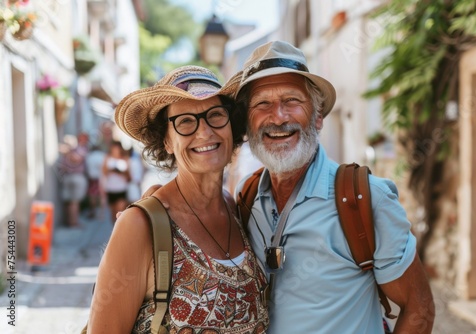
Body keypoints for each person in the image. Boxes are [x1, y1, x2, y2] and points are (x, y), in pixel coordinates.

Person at [230, 41, 435, 333]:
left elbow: (420, 308)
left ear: (318, 116)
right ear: (248, 123)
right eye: (262, 103)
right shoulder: (247, 197)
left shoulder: (365, 199)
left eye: (292, 100)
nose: (278, 116)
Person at [87, 66, 269, 333]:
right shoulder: (139, 226)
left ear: (232, 126)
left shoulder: (237, 208)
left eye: (216, 115)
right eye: (185, 121)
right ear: (167, 142)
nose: (205, 132)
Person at [59, 132, 89, 228]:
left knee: (69, 202)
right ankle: (74, 223)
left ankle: (70, 222)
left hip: (67, 177)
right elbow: (77, 159)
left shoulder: (65, 153)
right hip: (76, 177)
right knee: (74, 202)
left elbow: (62, 167)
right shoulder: (78, 150)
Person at [100, 140, 131, 224]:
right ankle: (115, 231)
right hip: (111, 189)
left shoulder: (125, 159)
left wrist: (120, 172)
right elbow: (104, 172)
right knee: (113, 214)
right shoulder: (107, 158)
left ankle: (120, 231)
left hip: (121, 188)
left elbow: (129, 176)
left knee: (120, 212)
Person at [85, 144, 106, 219]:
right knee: (102, 196)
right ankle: (101, 214)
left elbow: (86, 168)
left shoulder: (89, 156)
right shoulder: (103, 156)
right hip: (101, 178)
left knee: (92, 195)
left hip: (92, 178)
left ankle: (93, 211)